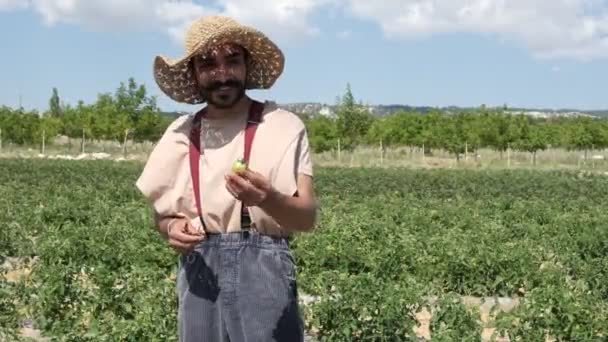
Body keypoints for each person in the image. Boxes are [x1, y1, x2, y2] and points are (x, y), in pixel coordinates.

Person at [135, 15, 318, 342]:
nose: (222, 73)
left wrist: (268, 198)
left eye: (232, 61)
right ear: (193, 72)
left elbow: (306, 217)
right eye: (208, 64)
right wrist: (172, 230)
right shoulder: (180, 133)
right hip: (200, 271)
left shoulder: (283, 126)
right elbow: (162, 216)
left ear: (246, 64)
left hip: (265, 269)